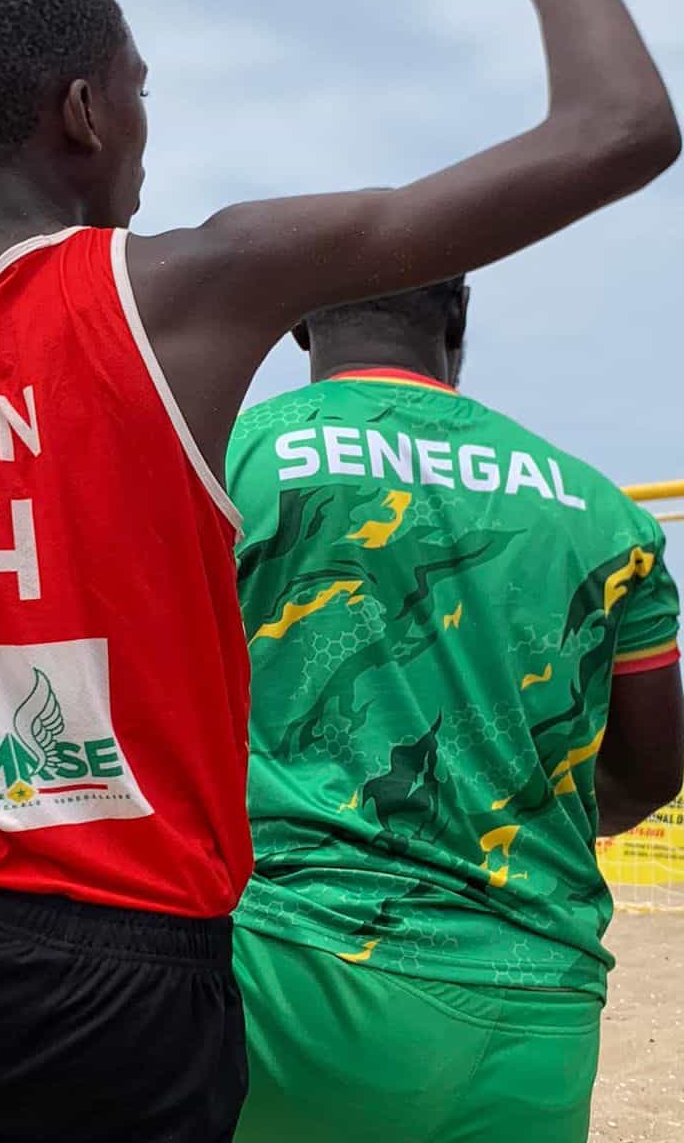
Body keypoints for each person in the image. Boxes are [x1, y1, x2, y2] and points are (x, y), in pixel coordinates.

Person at [0, 0, 679, 1140]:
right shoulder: (186, 294)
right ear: (86, 113)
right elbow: (620, 127)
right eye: (141, 91)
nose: (146, 123)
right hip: (128, 999)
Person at [227, 276, 684, 1143]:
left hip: (281, 973)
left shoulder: (223, 461)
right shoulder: (602, 511)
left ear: (295, 325)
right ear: (458, 316)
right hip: (532, 993)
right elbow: (650, 771)